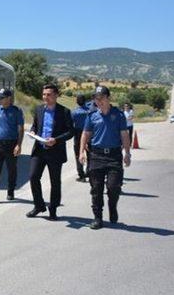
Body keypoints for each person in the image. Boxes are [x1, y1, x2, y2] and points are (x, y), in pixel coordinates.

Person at [79, 86, 131, 230]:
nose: (98, 101)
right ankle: (97, 217)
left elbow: (124, 135)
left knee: (113, 187)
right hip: (96, 155)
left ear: (108, 98)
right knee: (96, 189)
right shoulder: (92, 116)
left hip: (114, 155)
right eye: (96, 98)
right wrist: (81, 152)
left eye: (101, 98)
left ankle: (112, 206)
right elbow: (85, 134)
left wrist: (127, 153)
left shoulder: (119, 115)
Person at [26, 84, 74, 220]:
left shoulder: (64, 111)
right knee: (33, 176)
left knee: (55, 182)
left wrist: (56, 140)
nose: (45, 97)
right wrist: (33, 131)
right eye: (44, 94)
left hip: (55, 151)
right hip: (39, 150)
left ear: (56, 95)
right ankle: (39, 205)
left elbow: (70, 132)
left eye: (48, 94)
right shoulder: (39, 109)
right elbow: (35, 125)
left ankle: (53, 209)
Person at [71, 94, 90, 182]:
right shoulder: (90, 111)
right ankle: (89, 172)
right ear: (85, 101)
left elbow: (71, 124)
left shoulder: (74, 112)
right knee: (90, 154)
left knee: (78, 154)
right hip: (90, 133)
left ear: (77, 101)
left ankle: (81, 175)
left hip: (78, 133)